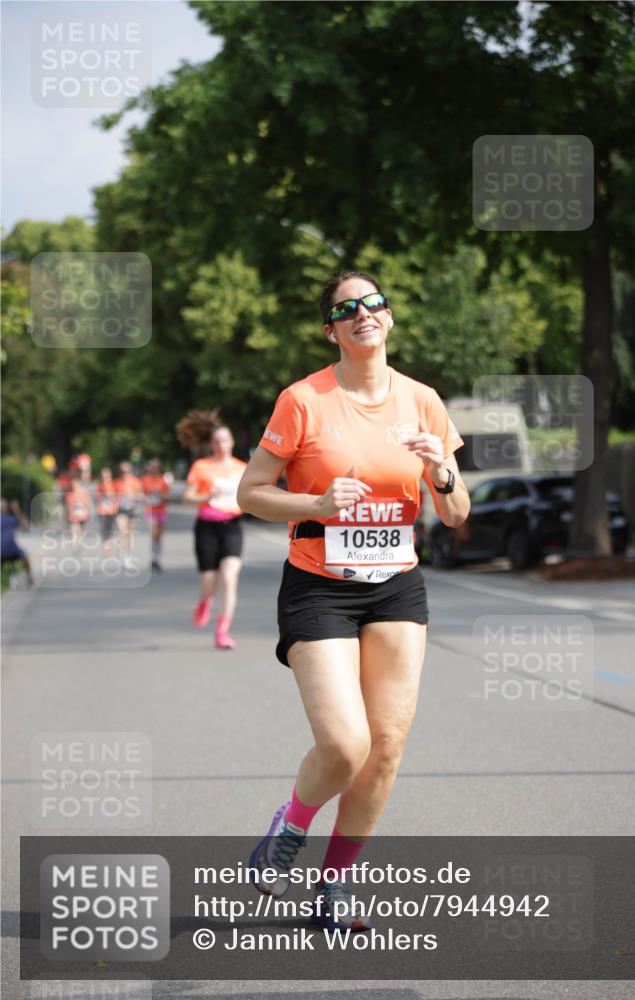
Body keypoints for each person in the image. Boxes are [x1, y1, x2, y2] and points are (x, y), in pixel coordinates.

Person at [237, 270, 470, 931]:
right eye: (347, 308)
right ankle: (289, 828)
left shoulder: (423, 401)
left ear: (388, 317)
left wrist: (440, 470)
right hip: (319, 583)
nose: (363, 312)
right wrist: (314, 502)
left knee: (385, 747)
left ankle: (333, 887)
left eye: (373, 303)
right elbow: (250, 492)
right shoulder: (302, 400)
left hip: (396, 583)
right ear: (331, 330)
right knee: (344, 744)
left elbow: (455, 512)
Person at [177, 412, 247, 650]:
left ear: (232, 442)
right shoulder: (202, 467)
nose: (221, 445)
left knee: (229, 579)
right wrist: (207, 496)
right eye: (217, 441)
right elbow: (187, 498)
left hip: (232, 527)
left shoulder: (242, 468)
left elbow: (251, 496)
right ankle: (204, 602)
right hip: (207, 527)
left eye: (225, 440)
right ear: (211, 444)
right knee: (209, 582)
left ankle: (222, 632)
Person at [141, 458, 170, 572]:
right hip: (150, 510)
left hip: (161, 510)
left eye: (156, 467)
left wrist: (159, 495)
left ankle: (157, 558)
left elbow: (168, 497)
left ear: (159, 468)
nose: (154, 469)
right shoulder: (144, 479)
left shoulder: (163, 480)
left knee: (158, 536)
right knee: (153, 532)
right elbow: (139, 494)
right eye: (152, 467)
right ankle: (153, 558)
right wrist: (145, 498)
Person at [114, 461, 142, 568]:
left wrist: (135, 497)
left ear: (131, 471)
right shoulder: (117, 482)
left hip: (132, 509)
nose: (125, 473)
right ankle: (122, 556)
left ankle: (128, 555)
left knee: (130, 534)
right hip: (121, 510)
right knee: (122, 532)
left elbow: (140, 495)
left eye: (127, 471)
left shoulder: (135, 481)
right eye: (122, 471)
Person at [1, 498, 33, 585]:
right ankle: (29, 578)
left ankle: (29, 578)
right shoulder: (11, 518)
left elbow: (26, 527)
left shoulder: (10, 519)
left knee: (25, 555)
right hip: (11, 550)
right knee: (26, 556)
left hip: (11, 549)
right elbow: (26, 526)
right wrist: (17, 511)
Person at [95, 467, 119, 557]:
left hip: (112, 510)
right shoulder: (100, 485)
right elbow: (97, 497)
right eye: (103, 475)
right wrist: (103, 495)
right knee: (104, 529)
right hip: (102, 510)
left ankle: (108, 544)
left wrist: (112, 496)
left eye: (107, 475)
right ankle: (106, 546)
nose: (105, 477)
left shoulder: (114, 484)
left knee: (110, 529)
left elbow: (118, 496)